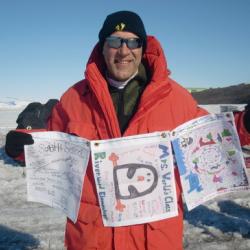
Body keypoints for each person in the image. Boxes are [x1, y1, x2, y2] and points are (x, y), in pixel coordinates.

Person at [5, 11, 250, 250]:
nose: (124, 50)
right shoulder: (74, 99)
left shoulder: (176, 98)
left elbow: (214, 134)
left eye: (133, 41)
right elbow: (48, 145)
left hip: (154, 238)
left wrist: (246, 124)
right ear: (102, 47)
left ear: (143, 48)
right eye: (115, 41)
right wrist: (22, 147)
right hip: (92, 238)